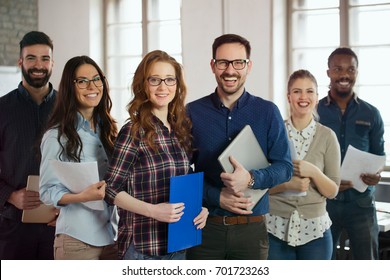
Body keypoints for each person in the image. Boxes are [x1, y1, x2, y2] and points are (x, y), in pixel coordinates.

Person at [186, 33, 293, 260]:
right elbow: (182, 172)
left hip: (251, 231)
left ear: (248, 66)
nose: (230, 70)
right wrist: (217, 197)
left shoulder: (268, 112)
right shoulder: (191, 113)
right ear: (213, 66)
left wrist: (251, 179)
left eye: (238, 63)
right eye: (223, 62)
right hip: (205, 227)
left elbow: (285, 167)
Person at [104, 50, 209, 260]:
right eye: (155, 80)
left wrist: (201, 209)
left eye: (170, 79)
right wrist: (153, 211)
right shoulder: (133, 131)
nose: (163, 87)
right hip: (144, 249)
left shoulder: (181, 129)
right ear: (143, 85)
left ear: (177, 85)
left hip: (178, 244)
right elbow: (110, 190)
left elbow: (184, 181)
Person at [39, 55, 118, 260]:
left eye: (96, 79)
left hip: (113, 238)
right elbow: (47, 192)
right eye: (82, 81)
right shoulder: (56, 136)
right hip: (77, 241)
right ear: (70, 87)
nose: (92, 86)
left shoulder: (109, 130)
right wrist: (82, 197)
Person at [317, 47, 385, 260]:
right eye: (338, 69)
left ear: (357, 72)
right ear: (328, 72)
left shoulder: (371, 113)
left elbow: (379, 156)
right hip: (324, 203)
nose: (344, 75)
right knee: (321, 262)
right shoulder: (314, 112)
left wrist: (376, 175)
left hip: (361, 204)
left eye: (350, 69)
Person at [266, 69, 340, 260]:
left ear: (317, 97)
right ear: (289, 96)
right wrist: (286, 185)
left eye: (310, 91)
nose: (303, 97)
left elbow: (332, 191)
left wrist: (314, 172)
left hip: (316, 232)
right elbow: (258, 186)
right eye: (297, 91)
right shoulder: (273, 133)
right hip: (275, 229)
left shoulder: (327, 137)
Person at [0, 31, 57, 260]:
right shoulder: (2, 109)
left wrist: (71, 208)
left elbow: (82, 164)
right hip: (13, 228)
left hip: (59, 225)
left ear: (52, 63)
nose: (38, 65)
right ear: (20, 62)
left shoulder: (68, 110)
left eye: (45, 58)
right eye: (31, 58)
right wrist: (10, 195)